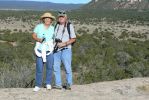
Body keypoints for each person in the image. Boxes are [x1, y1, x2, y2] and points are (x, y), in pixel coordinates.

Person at [53, 11, 76, 90]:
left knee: (67, 67)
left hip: (66, 49)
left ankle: (69, 84)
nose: (61, 18)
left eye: (62, 17)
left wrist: (64, 44)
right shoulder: (56, 25)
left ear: (66, 18)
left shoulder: (69, 26)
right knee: (56, 67)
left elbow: (73, 39)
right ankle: (58, 84)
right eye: (59, 17)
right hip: (56, 50)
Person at [32, 12, 55, 92]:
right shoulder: (38, 27)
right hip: (40, 50)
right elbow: (34, 35)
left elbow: (55, 38)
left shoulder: (53, 28)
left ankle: (48, 83)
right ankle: (38, 85)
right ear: (43, 19)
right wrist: (38, 39)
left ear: (51, 20)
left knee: (49, 67)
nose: (48, 20)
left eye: (49, 19)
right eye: (46, 18)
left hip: (49, 50)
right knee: (39, 68)